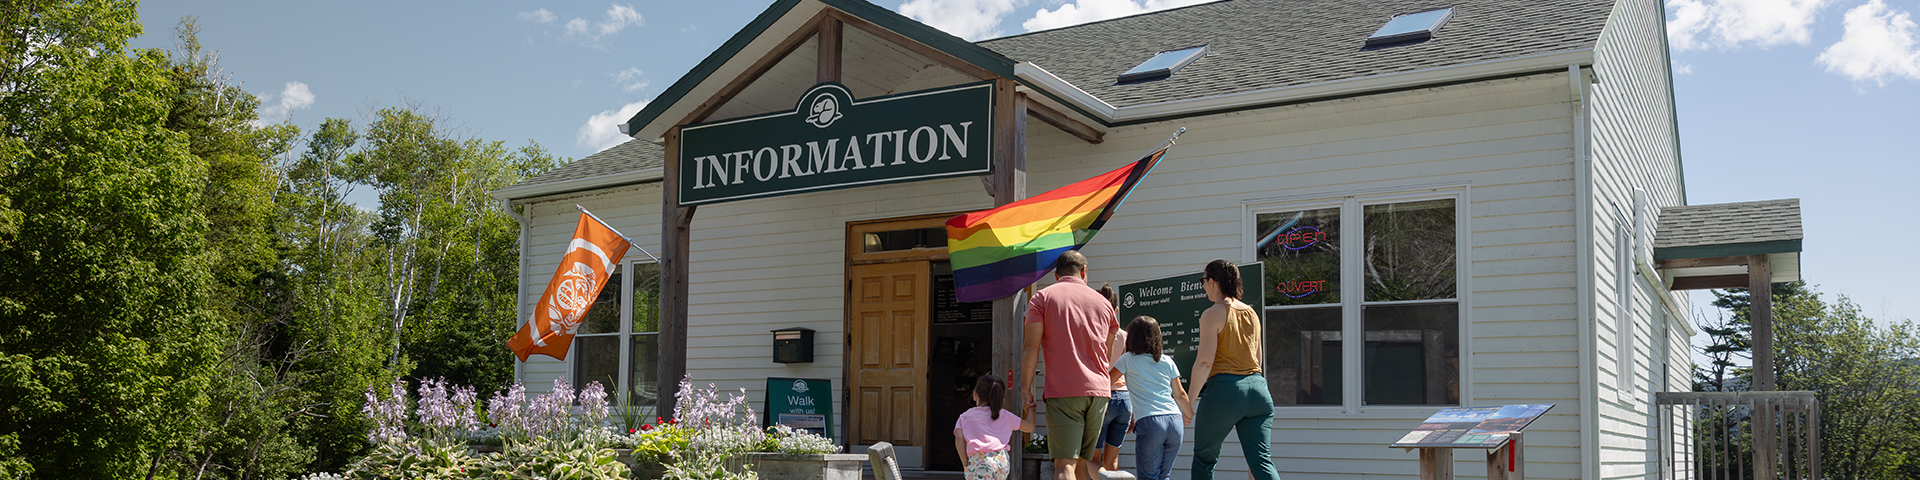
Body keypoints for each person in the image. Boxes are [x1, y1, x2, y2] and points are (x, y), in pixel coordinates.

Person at [1020, 250, 1121, 480]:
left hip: (1064, 391)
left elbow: (1030, 348)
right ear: (1084, 272)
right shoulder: (1104, 304)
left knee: (1064, 465)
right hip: (1099, 392)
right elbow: (1107, 350)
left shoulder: (1042, 298)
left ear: (1056, 275)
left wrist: (1026, 390)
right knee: (1084, 465)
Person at [1185, 259, 1280, 480]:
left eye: (1203, 281)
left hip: (1225, 392)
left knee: (1204, 459)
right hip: (1258, 391)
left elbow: (1204, 363)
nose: (1203, 286)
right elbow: (1257, 358)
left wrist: (1189, 401)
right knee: (1260, 459)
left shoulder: (1213, 313)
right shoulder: (1251, 313)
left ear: (1212, 282)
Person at [1110, 316, 1193, 480]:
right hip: (1175, 421)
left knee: (1148, 477)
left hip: (1150, 422)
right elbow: (1180, 394)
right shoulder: (1167, 360)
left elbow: (1106, 382)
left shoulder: (1128, 359)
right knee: (1164, 476)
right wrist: (1189, 414)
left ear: (1132, 337)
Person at [954, 375, 1036, 480]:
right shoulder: (1004, 415)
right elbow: (1029, 426)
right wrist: (1031, 410)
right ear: (1001, 398)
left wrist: (965, 463)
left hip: (979, 460)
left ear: (975, 395)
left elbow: (959, 439)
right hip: (1002, 460)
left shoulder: (965, 417)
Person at [1093, 284, 1129, 478]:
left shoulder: (1094, 334)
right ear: (1116, 310)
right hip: (1124, 398)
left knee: (1092, 459)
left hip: (1102, 397)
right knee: (1112, 461)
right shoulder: (1125, 336)